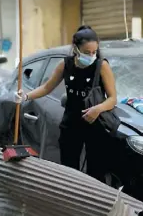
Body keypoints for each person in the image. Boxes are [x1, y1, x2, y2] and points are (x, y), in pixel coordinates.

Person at [14, 26, 117, 182]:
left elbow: (112, 98)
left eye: (94, 52)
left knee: (97, 173)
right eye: (87, 52)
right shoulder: (65, 65)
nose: (91, 56)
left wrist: (98, 109)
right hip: (71, 123)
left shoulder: (101, 66)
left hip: (95, 124)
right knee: (69, 171)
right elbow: (47, 87)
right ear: (76, 48)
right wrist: (26, 96)